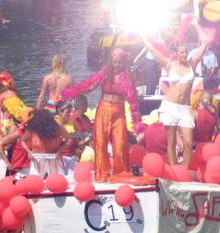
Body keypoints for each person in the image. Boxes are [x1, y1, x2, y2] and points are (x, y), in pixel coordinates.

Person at [61, 48, 144, 182]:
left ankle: (121, 174)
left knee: (120, 144)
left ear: (124, 62)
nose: (117, 65)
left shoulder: (129, 77)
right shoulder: (106, 72)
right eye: (114, 62)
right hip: (103, 110)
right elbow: (91, 86)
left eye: (120, 62)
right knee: (100, 142)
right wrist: (75, 92)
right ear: (111, 61)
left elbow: (133, 100)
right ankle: (102, 175)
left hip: (119, 112)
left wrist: (137, 120)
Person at [142, 28, 210, 168]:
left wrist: (198, 28)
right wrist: (141, 34)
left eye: (186, 52)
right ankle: (174, 170)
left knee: (188, 143)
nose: (184, 54)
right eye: (182, 52)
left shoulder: (192, 64)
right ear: (176, 54)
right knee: (171, 141)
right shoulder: (169, 64)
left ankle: (184, 170)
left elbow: (203, 47)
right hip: (169, 106)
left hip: (185, 108)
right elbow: (153, 50)